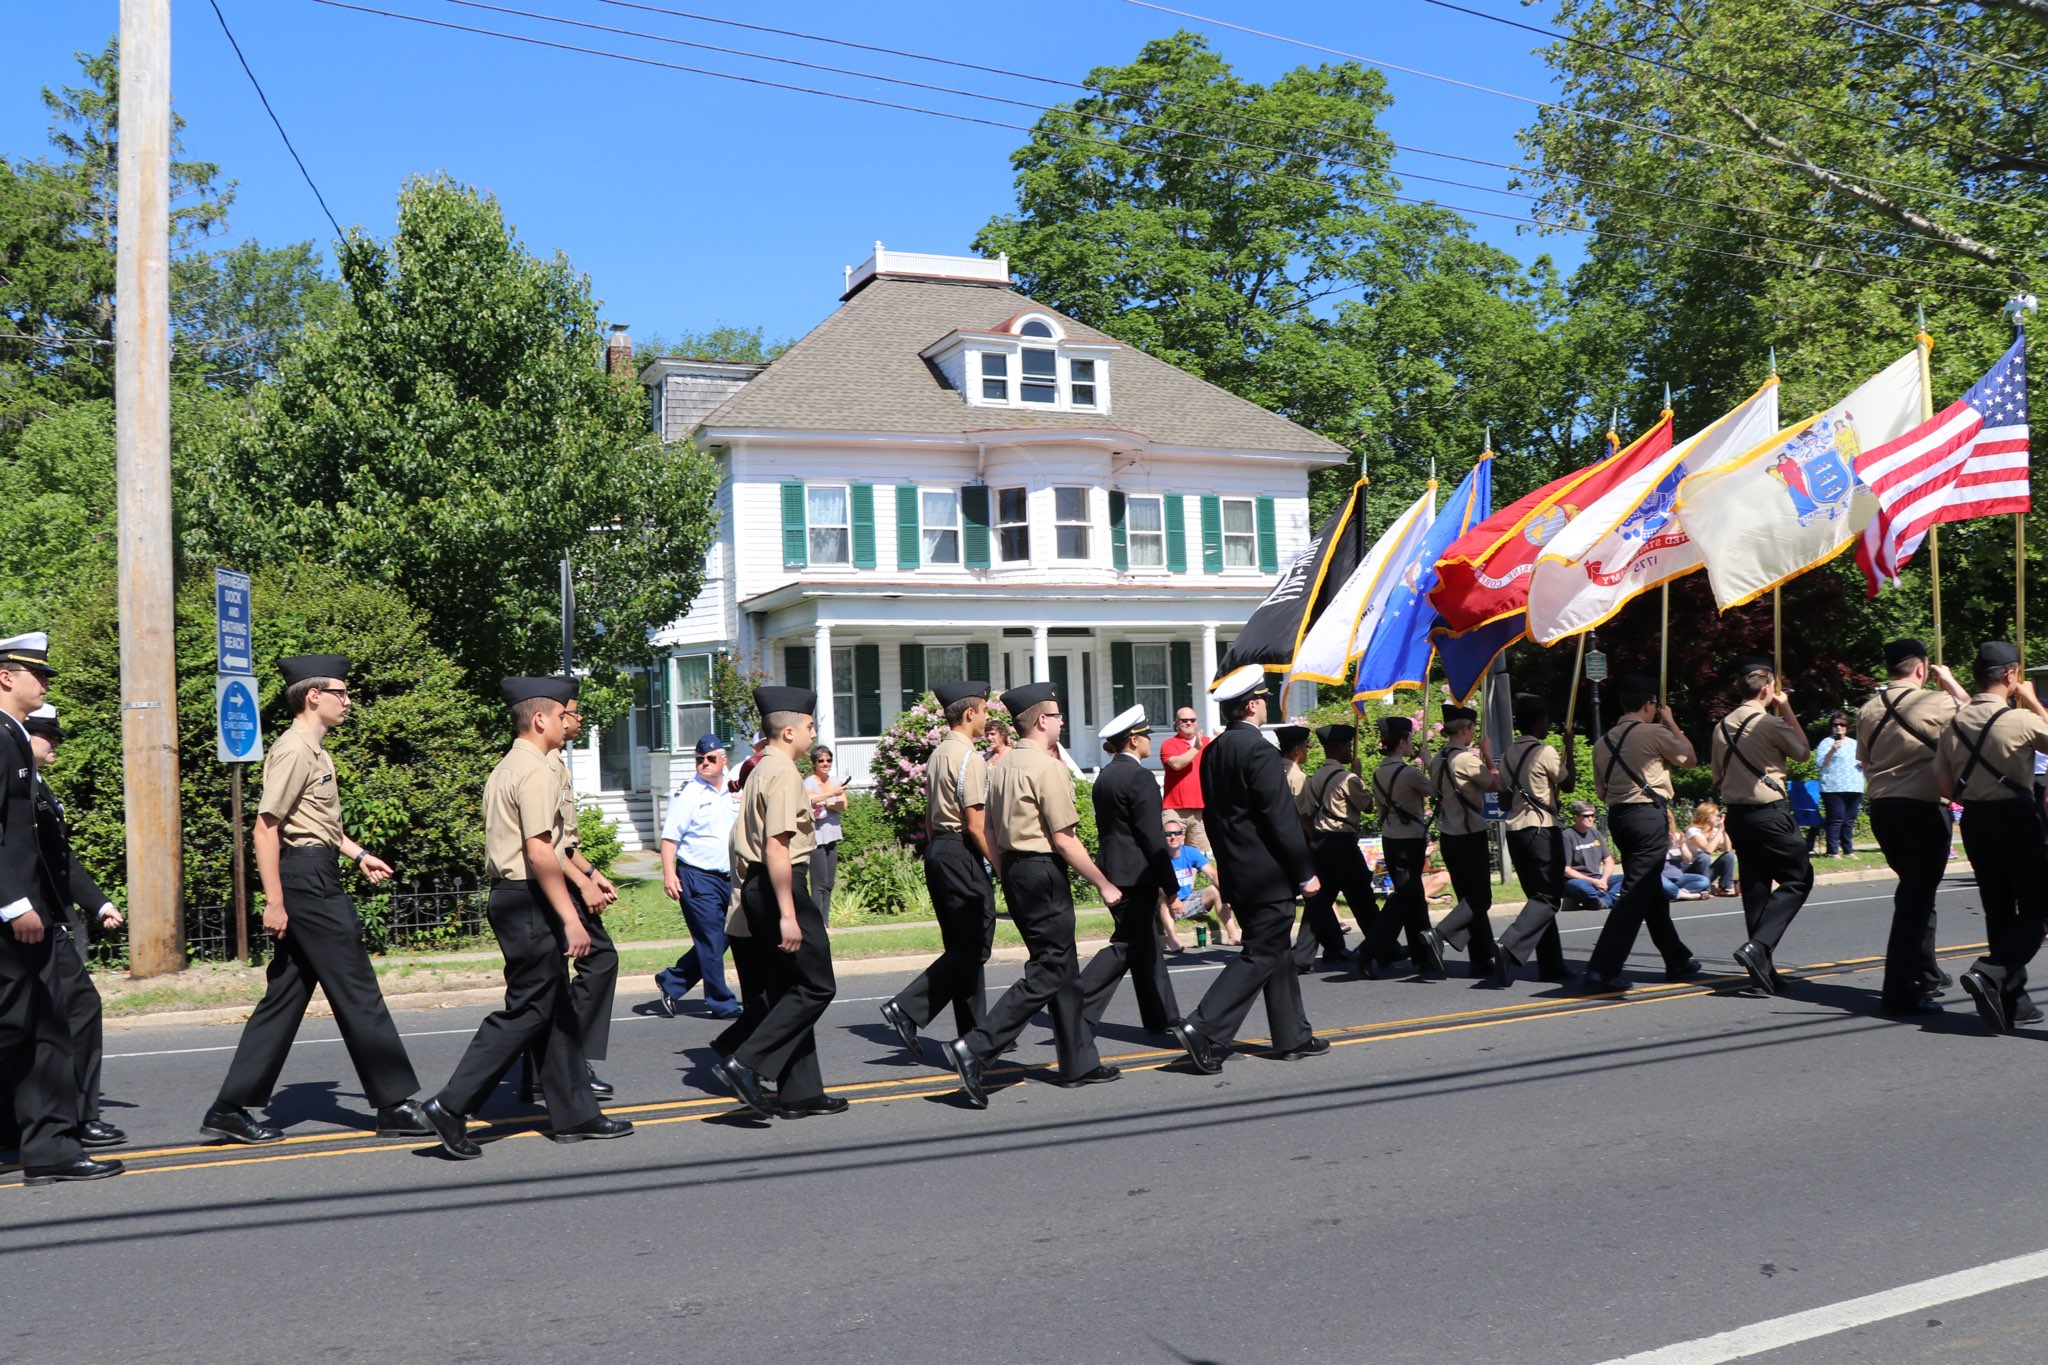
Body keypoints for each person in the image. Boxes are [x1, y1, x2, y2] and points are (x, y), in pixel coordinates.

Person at [203, 654, 433, 1148]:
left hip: (316, 871)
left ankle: (228, 1109)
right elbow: (266, 827)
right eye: (341, 692)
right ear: (314, 696)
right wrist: (275, 901)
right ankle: (394, 1103)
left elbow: (319, 824)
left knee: (285, 998)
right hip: (306, 883)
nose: (348, 701)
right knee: (357, 987)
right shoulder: (294, 751)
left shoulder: (315, 751)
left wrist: (359, 854)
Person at [420, 678, 631, 1159]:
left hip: (516, 897)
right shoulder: (535, 771)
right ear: (541, 719)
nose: (568, 721)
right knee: (528, 1011)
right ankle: (451, 1105)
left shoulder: (508, 767)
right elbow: (540, 852)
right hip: (529, 899)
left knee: (554, 1010)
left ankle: (576, 1114)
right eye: (563, 715)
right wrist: (570, 917)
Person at [941, 682, 1124, 1107]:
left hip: (1016, 869)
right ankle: (976, 1047)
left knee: (1064, 969)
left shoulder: (1000, 765)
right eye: (1057, 716)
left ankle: (1078, 1063)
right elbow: (1065, 839)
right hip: (1042, 871)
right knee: (1049, 969)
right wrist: (1103, 883)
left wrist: (1007, 872)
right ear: (1042, 721)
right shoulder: (1047, 767)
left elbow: (988, 829)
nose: (1062, 722)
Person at [0, 634, 119, 1186]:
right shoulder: (2, 737)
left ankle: (49, 1149)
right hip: (14, 917)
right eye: (37, 675)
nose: (45, 684)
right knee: (26, 1028)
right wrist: (14, 903)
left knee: (43, 1028)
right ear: (6, 677)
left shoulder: (12, 736)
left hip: (30, 916)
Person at [1167, 667, 1323, 1074]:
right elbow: (1280, 818)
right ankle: (1203, 1027)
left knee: (1277, 951)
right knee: (1263, 951)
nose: (1266, 704)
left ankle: (1292, 1036)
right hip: (1267, 872)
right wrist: (1304, 871)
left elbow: (1215, 818)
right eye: (1263, 699)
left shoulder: (1214, 751)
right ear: (1252, 705)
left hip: (1239, 868)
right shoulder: (1259, 751)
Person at [709, 687, 845, 1119]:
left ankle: (800, 1092)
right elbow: (777, 846)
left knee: (790, 988)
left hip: (759, 885)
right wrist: (788, 913)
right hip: (779, 884)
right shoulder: (783, 772)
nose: (813, 734)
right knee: (817, 985)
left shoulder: (761, 767)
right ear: (789, 731)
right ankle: (744, 1062)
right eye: (810, 726)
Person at [23, 706, 124, 1148]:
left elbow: (61, 859)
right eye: (47, 735)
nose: (55, 743)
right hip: (31, 920)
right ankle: (78, 1116)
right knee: (78, 1008)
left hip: (43, 918)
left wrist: (98, 903)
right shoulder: (21, 787)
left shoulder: (37, 786)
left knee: (47, 1016)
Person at [881, 681, 998, 1059]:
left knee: (962, 946)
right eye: (984, 710)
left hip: (939, 850)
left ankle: (974, 1036)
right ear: (970, 713)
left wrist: (940, 852)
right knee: (975, 943)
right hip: (961, 849)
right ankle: (907, 1007)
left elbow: (931, 819)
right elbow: (976, 825)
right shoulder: (970, 758)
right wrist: (1002, 866)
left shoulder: (938, 753)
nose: (987, 717)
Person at [1937, 642, 2048, 1033]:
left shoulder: (1953, 724)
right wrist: (2032, 701)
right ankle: (1990, 971)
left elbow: (1946, 786)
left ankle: (2013, 1002)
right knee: (2038, 908)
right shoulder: (2019, 719)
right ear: (2010, 675)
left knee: (1997, 907)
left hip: (1975, 820)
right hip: (2016, 818)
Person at [1859, 638, 1968, 1015]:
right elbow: (1981, 717)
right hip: (1922, 808)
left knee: (1916, 891)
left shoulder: (1867, 709)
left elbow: (1864, 761)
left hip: (1882, 809)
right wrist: (1950, 681)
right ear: (1922, 668)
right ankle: (1899, 990)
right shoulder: (1936, 701)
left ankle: (1925, 971)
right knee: (1915, 898)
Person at [1580, 675, 1701, 993]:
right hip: (1647, 816)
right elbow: (1690, 759)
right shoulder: (1655, 732)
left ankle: (1676, 958)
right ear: (1649, 704)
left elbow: (1601, 791)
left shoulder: (1602, 742)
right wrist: (1671, 721)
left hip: (1619, 817)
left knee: (1649, 890)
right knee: (1635, 893)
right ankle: (1602, 969)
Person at [532, 687, 619, 1103]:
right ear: (551, 717)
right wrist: (582, 884)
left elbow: (566, 844)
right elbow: (545, 846)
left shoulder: (556, 762)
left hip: (564, 874)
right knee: (597, 961)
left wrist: (593, 873)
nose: (579, 719)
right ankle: (567, 1060)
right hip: (550, 881)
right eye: (572, 713)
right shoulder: (544, 766)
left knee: (554, 977)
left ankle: (550, 1066)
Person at [1076, 706, 1184, 1035]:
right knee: (1127, 945)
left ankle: (1162, 1017)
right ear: (1134, 740)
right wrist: (1171, 885)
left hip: (1114, 871)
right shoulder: (1140, 777)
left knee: (1146, 947)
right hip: (1136, 876)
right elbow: (1152, 837)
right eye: (1146, 734)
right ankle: (1072, 1002)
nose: (1151, 739)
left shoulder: (1105, 776)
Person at [1712, 654, 1815, 995]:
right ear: (1768, 688)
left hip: (1737, 815)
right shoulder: (1769, 723)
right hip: (1770, 813)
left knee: (1756, 889)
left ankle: (1762, 973)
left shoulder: (1721, 726)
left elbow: (1716, 777)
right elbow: (1803, 752)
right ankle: (1757, 947)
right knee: (1798, 878)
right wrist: (1786, 707)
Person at [656, 735, 743, 1019]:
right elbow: (670, 839)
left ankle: (672, 980)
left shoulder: (735, 788)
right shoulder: (688, 793)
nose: (704, 763)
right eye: (699, 759)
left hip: (730, 877)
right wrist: (669, 874)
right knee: (711, 940)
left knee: (727, 936)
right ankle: (722, 1002)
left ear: (723, 760)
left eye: (710, 758)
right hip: (697, 877)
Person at [1491, 694, 1573, 985]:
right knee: (1549, 898)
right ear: (1538, 721)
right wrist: (1569, 747)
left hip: (1516, 832)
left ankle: (1552, 965)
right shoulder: (1545, 751)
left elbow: (1503, 801)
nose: (1548, 725)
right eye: (1546, 720)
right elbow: (1569, 783)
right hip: (1542, 830)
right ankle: (1509, 943)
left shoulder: (1508, 754)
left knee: (1538, 900)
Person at [1359, 718, 1445, 978]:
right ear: (1401, 743)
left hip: (1390, 837)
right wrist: (1429, 762)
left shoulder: (1378, 772)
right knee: (1406, 896)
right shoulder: (1409, 772)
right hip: (1410, 839)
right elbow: (1437, 790)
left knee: (1413, 895)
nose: (1411, 745)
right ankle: (1369, 949)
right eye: (1408, 741)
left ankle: (1423, 954)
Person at [1296, 723, 1379, 975]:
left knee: (1320, 902)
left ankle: (1301, 956)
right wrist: (1358, 776)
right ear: (1340, 748)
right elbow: (1367, 806)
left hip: (1321, 841)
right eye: (1347, 746)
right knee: (1361, 896)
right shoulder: (1348, 778)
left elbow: (1307, 811)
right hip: (1342, 841)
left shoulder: (1314, 778)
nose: (1350, 751)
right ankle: (1381, 945)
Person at [1428, 704, 1501, 979]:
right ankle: (1439, 934)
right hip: (1470, 833)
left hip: (1449, 834)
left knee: (1468, 901)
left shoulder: (1437, 759)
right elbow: (1496, 784)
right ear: (1466, 729)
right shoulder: (1466, 759)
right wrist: (1488, 755)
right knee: (1481, 898)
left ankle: (1481, 959)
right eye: (1472, 729)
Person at [1282, 724, 1350, 970]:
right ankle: (1303, 954)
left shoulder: (1274, 770)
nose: (1307, 753)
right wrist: (1315, 839)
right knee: (1316, 896)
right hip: (1299, 841)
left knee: (1321, 896)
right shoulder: (1297, 777)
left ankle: (1334, 946)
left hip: (1278, 841)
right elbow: (1304, 815)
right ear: (1297, 750)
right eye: (1305, 748)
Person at [1161, 820, 1229, 949]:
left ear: (1183, 836)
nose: (1173, 837)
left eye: (1177, 833)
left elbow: (1213, 874)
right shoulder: (1158, 856)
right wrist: (1173, 898)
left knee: (1215, 890)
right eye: (1168, 834)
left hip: (1187, 901)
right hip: (1165, 906)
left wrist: (1229, 895)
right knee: (1163, 899)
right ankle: (1173, 940)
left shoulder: (1190, 852)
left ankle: (1233, 934)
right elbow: (1158, 887)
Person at [1159, 705, 1211, 858]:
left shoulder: (1208, 742)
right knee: (1172, 855)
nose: (1188, 723)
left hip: (1201, 810)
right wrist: (1196, 748)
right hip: (1174, 810)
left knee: (1198, 857)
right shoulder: (1169, 744)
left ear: (1196, 722)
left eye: (1192, 720)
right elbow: (1176, 764)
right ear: (1176, 722)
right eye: (1184, 720)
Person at [804, 747, 848, 920]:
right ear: (814, 763)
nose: (825, 763)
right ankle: (818, 924)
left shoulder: (836, 781)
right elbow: (809, 799)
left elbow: (843, 805)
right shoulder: (809, 782)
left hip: (832, 835)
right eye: (821, 760)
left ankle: (826, 922)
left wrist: (826, 801)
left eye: (828, 760)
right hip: (817, 838)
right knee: (819, 884)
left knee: (829, 883)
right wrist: (832, 795)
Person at [1815, 711, 1865, 856]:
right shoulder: (1826, 743)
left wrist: (1863, 763)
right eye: (1835, 724)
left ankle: (1848, 851)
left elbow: (1864, 762)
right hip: (1833, 787)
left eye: (1842, 725)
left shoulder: (1855, 744)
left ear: (1847, 727)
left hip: (1854, 786)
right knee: (1836, 819)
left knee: (1849, 820)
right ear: (1831, 727)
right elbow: (1820, 764)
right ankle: (1833, 852)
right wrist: (1833, 750)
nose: (1839, 727)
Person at [1562, 803, 1621, 911]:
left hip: (1598, 878)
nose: (1590, 818)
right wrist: (1593, 881)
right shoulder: (1567, 836)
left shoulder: (1595, 833)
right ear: (1576, 817)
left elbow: (1608, 860)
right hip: (1578, 880)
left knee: (1628, 878)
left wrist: (1604, 879)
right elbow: (1566, 870)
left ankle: (1601, 901)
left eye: (1592, 815)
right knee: (1579, 886)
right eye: (1586, 816)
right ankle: (1609, 899)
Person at [1683, 801, 1738, 897]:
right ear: (1707, 816)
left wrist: (1724, 830)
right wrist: (1720, 830)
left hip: (1705, 872)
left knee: (1729, 856)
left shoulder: (1715, 831)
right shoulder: (1693, 831)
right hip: (1691, 872)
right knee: (1704, 856)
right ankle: (1705, 889)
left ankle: (1725, 887)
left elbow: (1727, 849)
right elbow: (1708, 849)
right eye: (1717, 816)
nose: (1719, 818)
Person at [1660, 811, 1708, 900]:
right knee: (1662, 882)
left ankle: (1675, 893)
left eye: (1669, 817)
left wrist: (1681, 847)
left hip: (1678, 877)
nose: (1667, 820)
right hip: (1663, 877)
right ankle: (1689, 895)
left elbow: (1688, 859)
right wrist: (1668, 846)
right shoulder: (1654, 839)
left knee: (1704, 880)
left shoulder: (1677, 836)